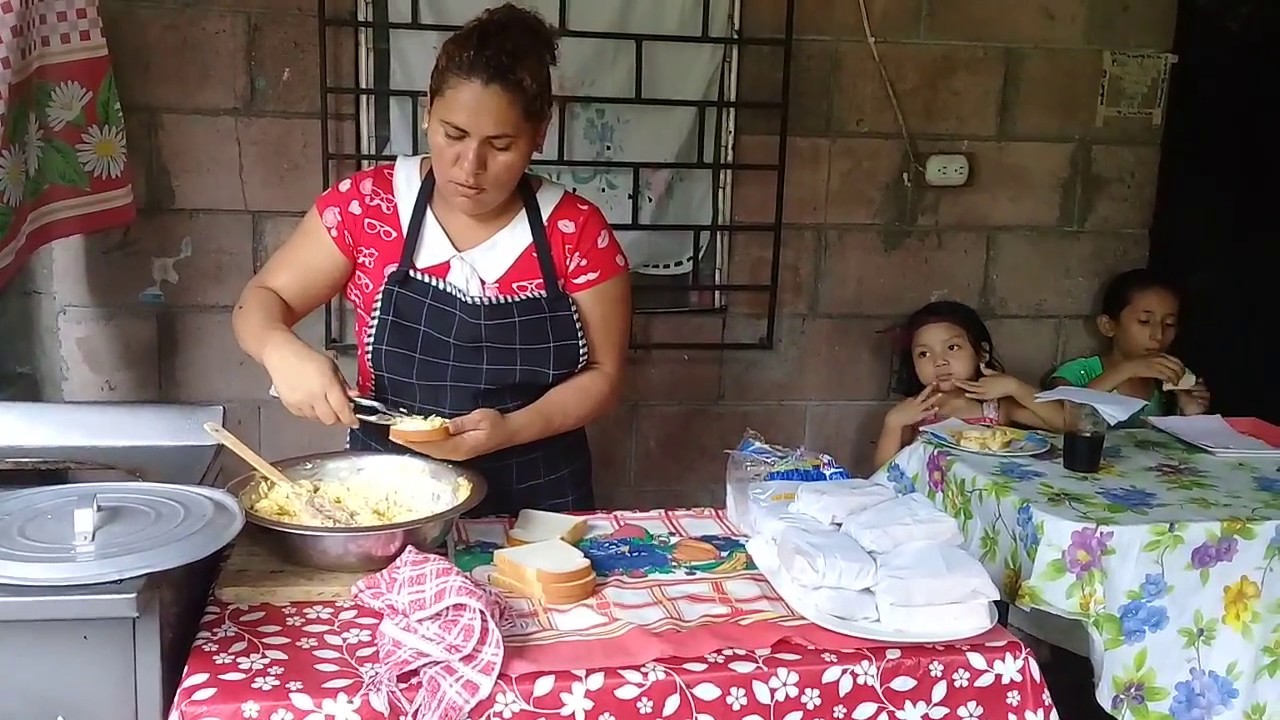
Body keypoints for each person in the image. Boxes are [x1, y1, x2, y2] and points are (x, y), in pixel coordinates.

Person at [231, 4, 632, 516]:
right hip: (391, 498)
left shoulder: (573, 229)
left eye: (501, 145)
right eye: (454, 134)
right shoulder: (371, 205)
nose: (470, 166)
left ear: (540, 133)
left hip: (539, 499)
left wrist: (510, 429)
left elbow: (604, 375)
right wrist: (281, 350)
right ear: (427, 112)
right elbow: (260, 302)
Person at [873, 301, 1064, 468]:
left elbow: (1064, 424)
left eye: (952, 347)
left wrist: (1016, 387)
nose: (939, 361)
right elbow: (883, 474)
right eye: (924, 353)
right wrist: (893, 424)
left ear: (982, 353)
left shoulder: (996, 406)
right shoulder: (915, 411)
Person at [1048, 268, 1209, 425]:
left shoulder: (1167, 382)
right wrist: (1126, 370)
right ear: (1108, 326)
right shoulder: (1077, 372)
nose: (1158, 335)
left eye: (1169, 324)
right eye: (1144, 321)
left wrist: (1189, 413)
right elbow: (1060, 416)